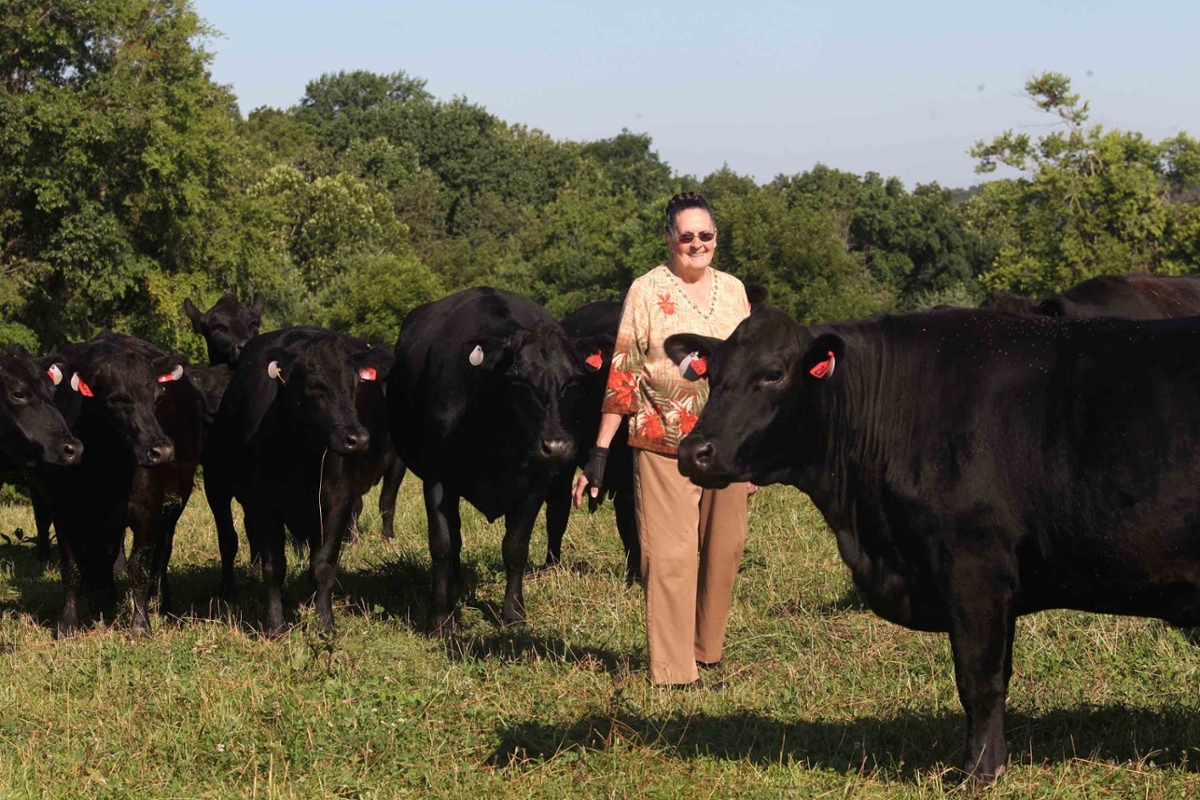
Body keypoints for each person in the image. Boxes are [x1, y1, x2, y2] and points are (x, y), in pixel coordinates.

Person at [572, 192, 751, 687]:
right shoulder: (647, 290)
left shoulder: (735, 291)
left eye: (706, 235)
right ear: (670, 239)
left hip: (727, 444)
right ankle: (674, 674)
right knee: (670, 555)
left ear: (717, 237)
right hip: (662, 438)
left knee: (724, 547)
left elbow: (751, 374)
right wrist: (601, 450)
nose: (697, 244)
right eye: (687, 236)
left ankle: (705, 653)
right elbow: (624, 369)